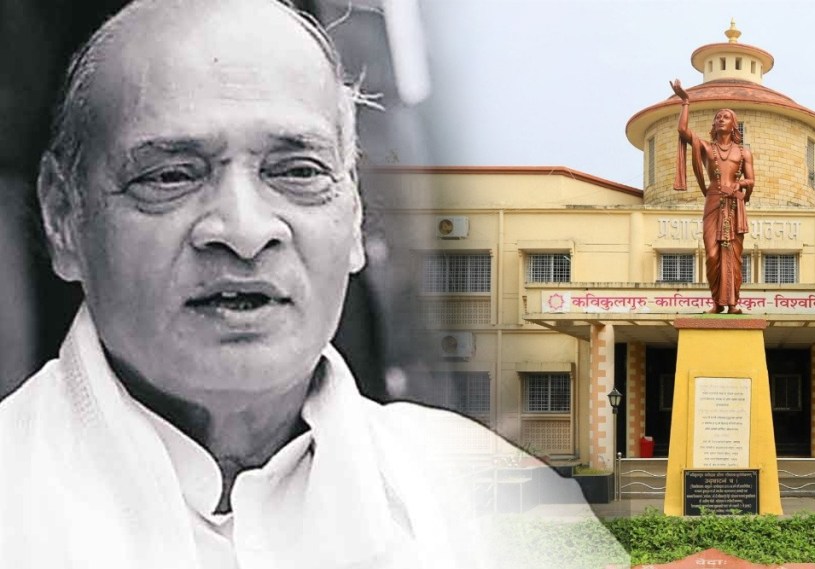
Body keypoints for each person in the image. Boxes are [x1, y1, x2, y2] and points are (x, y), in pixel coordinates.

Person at [0, 1, 627, 567]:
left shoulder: (501, 512)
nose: (243, 231)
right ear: (63, 218)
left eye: (297, 171)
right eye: (171, 176)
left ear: (355, 217)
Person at [670, 79, 755, 314]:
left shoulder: (743, 151)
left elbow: (751, 181)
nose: (720, 119)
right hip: (714, 201)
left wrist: (737, 185)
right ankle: (717, 303)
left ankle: (733, 303)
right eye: (717, 117)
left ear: (733, 124)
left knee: (734, 254)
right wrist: (685, 102)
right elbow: (683, 131)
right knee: (712, 253)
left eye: (725, 117)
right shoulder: (707, 148)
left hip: (734, 205)